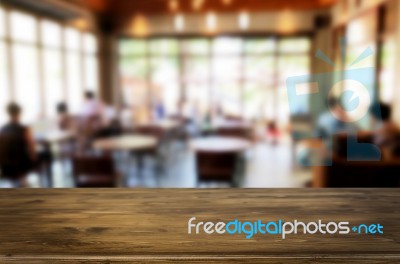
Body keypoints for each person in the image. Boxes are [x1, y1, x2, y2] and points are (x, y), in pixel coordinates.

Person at [0, 103, 41, 185]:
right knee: (45, 155)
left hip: (6, 166)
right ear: (20, 113)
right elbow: (31, 148)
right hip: (22, 165)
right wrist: (35, 162)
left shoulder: (3, 129)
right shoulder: (24, 129)